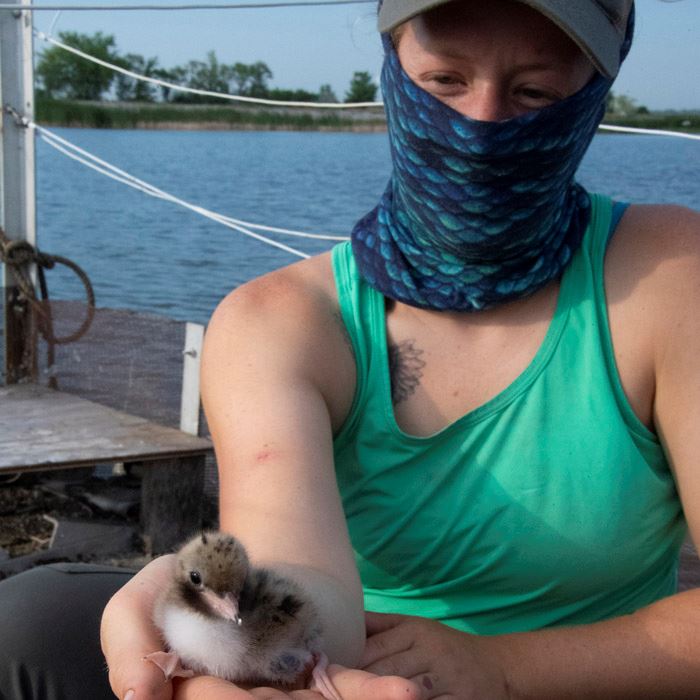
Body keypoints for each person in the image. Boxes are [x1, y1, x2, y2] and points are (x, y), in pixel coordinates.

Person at [2, 0, 699, 698]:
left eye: (535, 93)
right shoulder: (279, 323)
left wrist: (504, 669)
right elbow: (311, 591)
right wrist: (230, 617)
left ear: (596, 93)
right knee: (29, 619)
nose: (482, 124)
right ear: (394, 63)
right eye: (444, 81)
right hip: (357, 677)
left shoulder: (672, 276)